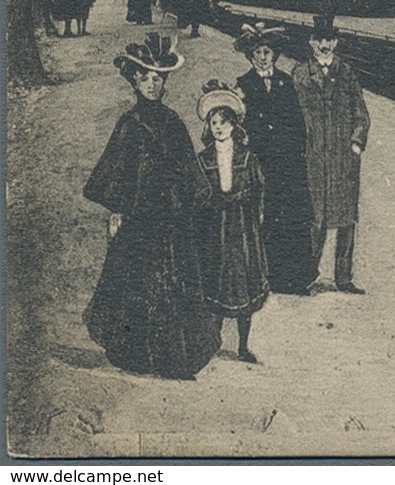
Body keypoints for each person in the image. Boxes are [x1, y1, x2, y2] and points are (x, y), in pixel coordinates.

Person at [82, 33, 220, 379]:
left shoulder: (172, 121)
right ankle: (136, 356)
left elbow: (189, 169)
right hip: (139, 219)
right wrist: (116, 210)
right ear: (135, 81)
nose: (153, 85)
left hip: (172, 220)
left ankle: (173, 358)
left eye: (158, 79)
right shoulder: (128, 124)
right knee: (136, 283)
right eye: (146, 78)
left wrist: (194, 204)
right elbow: (116, 171)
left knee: (175, 284)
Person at [236, 22, 319, 295]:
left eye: (267, 51)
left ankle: (295, 278)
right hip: (260, 162)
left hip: (287, 162)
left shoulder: (285, 81)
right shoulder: (243, 85)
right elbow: (240, 125)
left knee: (292, 217)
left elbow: (297, 122)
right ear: (251, 56)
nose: (263, 56)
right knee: (265, 216)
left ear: (274, 54)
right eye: (258, 52)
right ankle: (265, 277)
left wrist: (296, 152)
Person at [292, 13, 371, 294]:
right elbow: (292, 116)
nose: (324, 45)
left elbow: (361, 114)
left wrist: (356, 143)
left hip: (342, 158)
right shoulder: (300, 74)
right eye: (319, 40)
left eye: (329, 40)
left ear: (336, 43)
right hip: (313, 157)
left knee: (346, 218)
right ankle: (307, 276)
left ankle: (344, 277)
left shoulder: (347, 73)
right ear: (312, 43)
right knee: (315, 217)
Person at [193, 81, 269, 362]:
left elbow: (259, 188)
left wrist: (247, 202)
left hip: (241, 230)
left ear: (234, 125)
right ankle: (212, 342)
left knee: (242, 285)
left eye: (224, 122)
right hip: (214, 230)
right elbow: (198, 194)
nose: (219, 127)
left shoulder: (247, 157)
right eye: (214, 122)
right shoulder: (202, 160)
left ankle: (242, 346)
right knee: (214, 282)